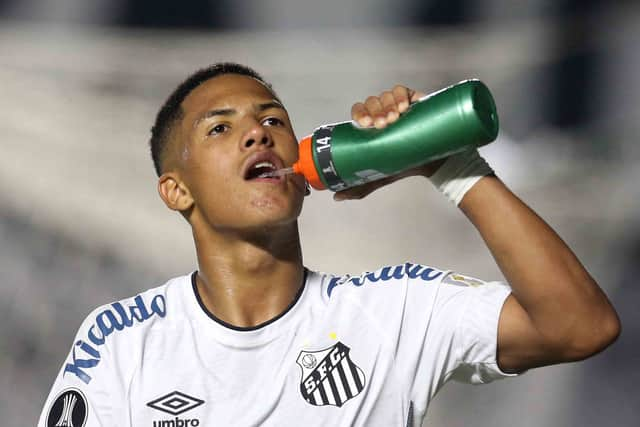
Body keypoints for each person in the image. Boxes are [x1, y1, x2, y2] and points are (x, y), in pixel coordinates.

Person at [38, 63, 620, 427]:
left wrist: (452, 166)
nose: (258, 131)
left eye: (273, 119)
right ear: (176, 190)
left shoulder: (393, 310)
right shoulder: (121, 342)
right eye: (220, 127)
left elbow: (580, 326)